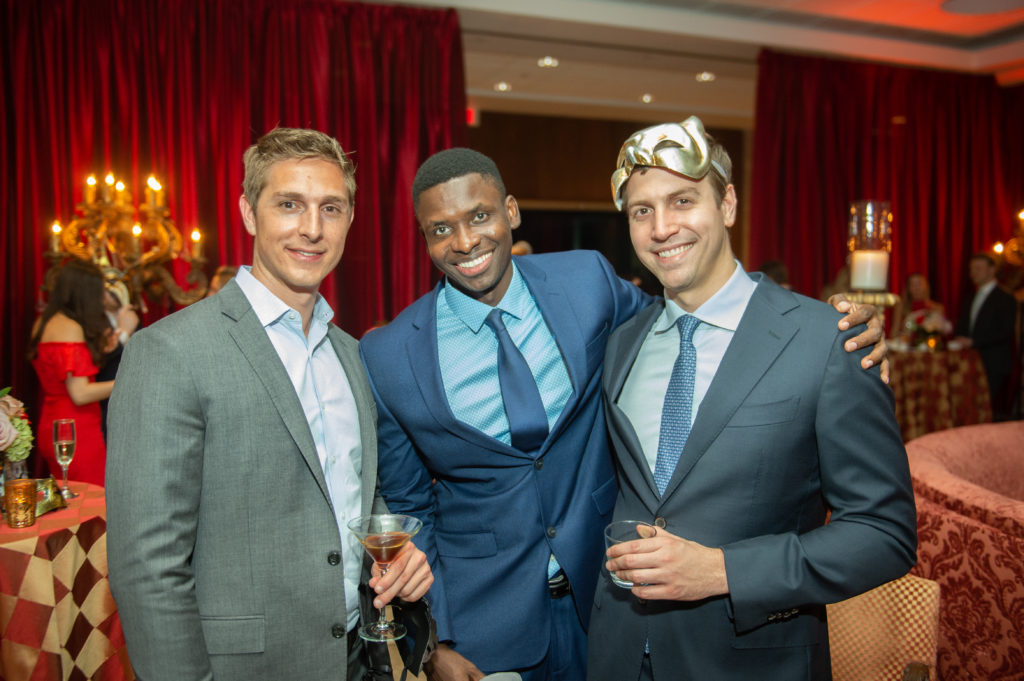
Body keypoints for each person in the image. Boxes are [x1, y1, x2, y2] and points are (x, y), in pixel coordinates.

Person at [358, 148, 888, 681]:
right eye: (440, 228)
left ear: (511, 211)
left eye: (479, 216)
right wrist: (434, 641)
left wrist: (813, 327)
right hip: (484, 630)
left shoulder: (586, 282)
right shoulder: (389, 355)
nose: (466, 241)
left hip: (610, 606)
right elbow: (409, 508)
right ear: (422, 237)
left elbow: (689, 316)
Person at [588, 117, 917, 681]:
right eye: (642, 210)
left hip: (753, 662)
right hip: (617, 653)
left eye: (683, 200)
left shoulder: (825, 340)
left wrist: (724, 571)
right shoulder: (621, 344)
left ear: (729, 204)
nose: (662, 227)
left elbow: (884, 534)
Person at [105, 127, 433, 681]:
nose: (312, 227)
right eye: (289, 204)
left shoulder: (353, 355)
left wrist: (397, 554)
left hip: (356, 659)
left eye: (332, 208)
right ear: (248, 213)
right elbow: (147, 568)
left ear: (350, 220)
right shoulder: (168, 352)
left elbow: (357, 491)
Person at [29, 259, 117, 485]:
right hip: (76, 430)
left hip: (52, 422)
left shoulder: (43, 322)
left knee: (67, 505)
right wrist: (126, 382)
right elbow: (80, 393)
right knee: (91, 508)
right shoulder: (71, 328)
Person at [954, 252, 1019, 420]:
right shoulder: (970, 297)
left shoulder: (1005, 298)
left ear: (992, 270)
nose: (973, 273)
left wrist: (974, 341)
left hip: (993, 362)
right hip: (969, 362)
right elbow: (963, 326)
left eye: (978, 268)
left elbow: (1005, 331)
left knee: (985, 408)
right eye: (971, 269)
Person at [893, 272, 949, 339]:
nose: (916, 287)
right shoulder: (901, 306)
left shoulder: (937, 307)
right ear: (908, 288)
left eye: (919, 284)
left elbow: (941, 333)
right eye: (913, 284)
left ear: (926, 286)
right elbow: (894, 331)